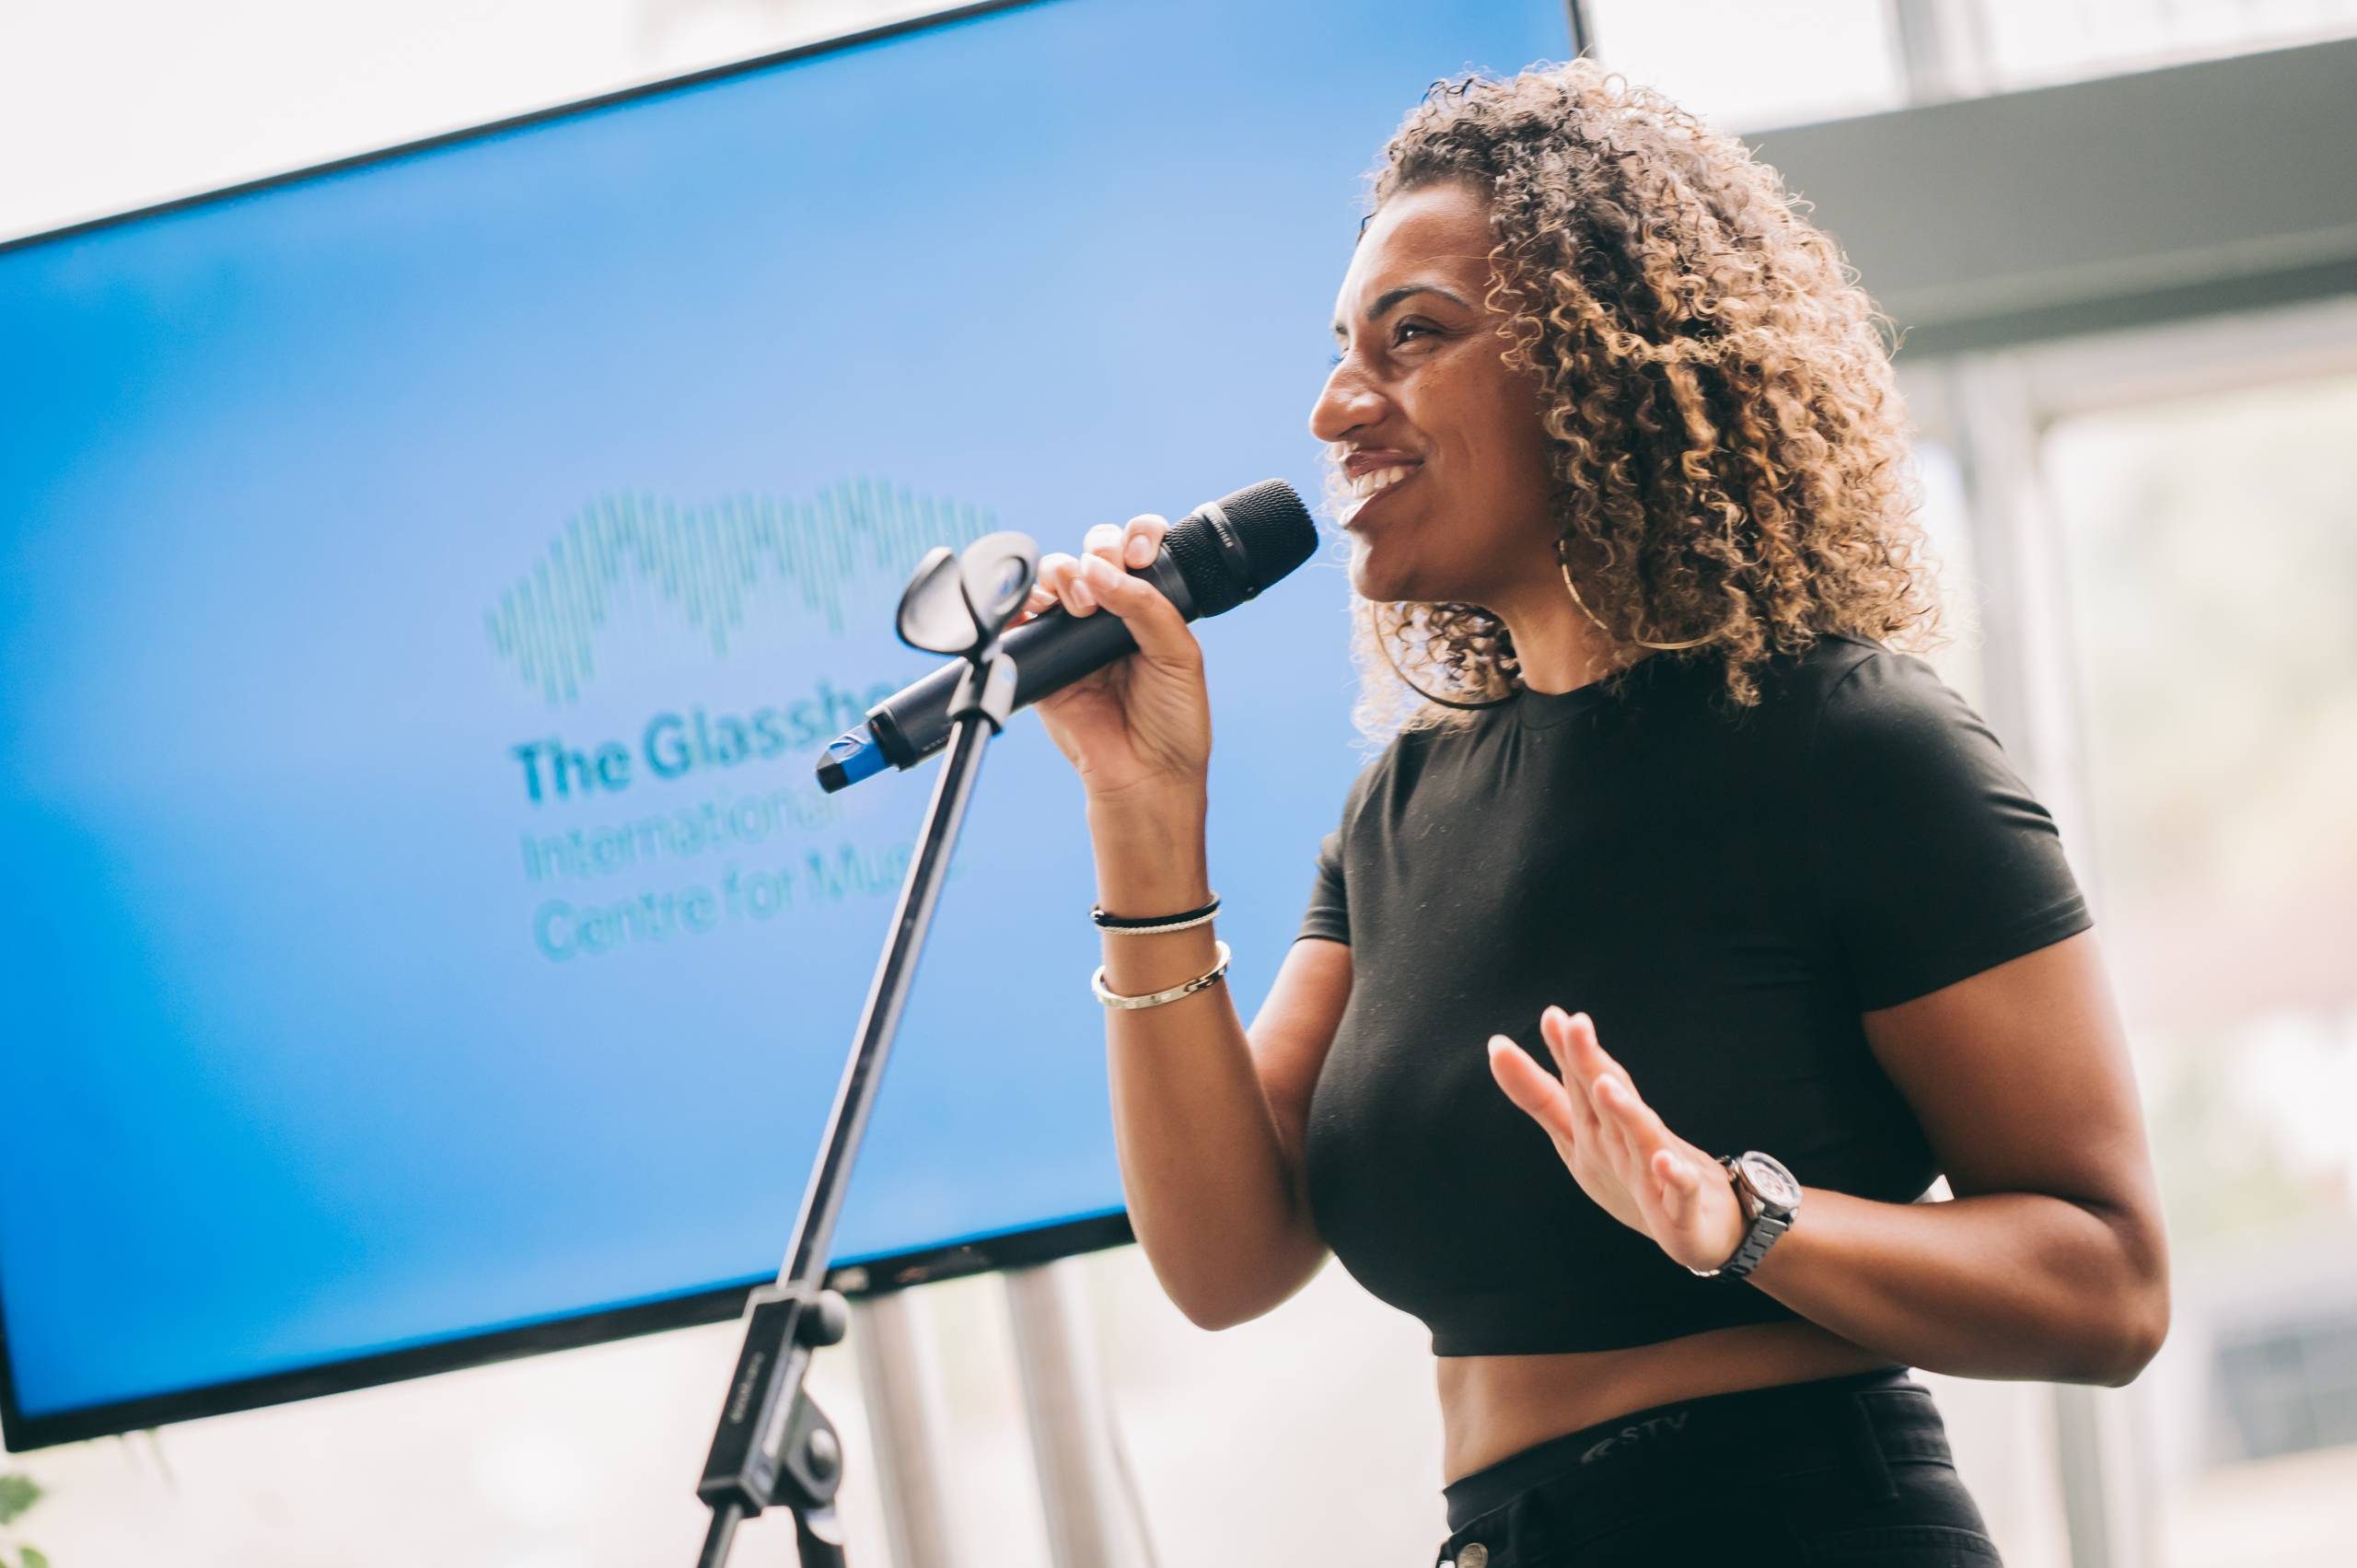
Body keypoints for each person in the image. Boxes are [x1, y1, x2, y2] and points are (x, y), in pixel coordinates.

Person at [1012, 61, 2168, 1567]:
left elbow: (2109, 1283)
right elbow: (1226, 1262)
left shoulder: (1853, 747)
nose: (1335, 406)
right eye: (1342, 350)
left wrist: (1738, 1219)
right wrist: (1141, 807)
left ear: (1598, 364)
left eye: (1413, 336)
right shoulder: (1403, 807)